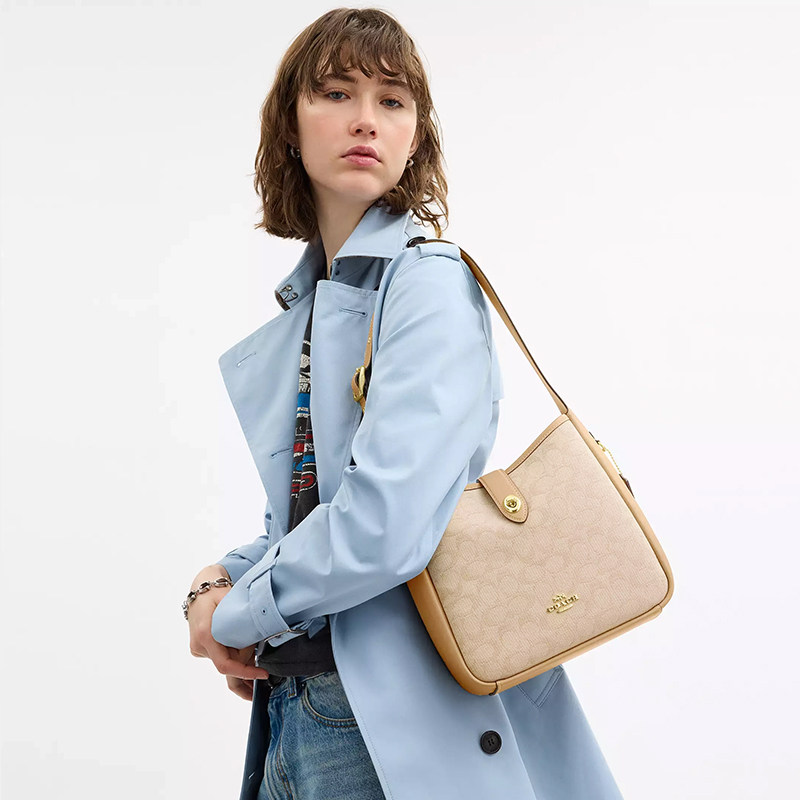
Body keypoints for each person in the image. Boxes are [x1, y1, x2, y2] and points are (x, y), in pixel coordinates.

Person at [184, 8, 624, 800]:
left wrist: (238, 615)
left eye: (392, 101)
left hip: (385, 720)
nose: (366, 120)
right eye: (336, 93)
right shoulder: (319, 303)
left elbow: (386, 527)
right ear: (290, 127)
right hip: (294, 709)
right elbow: (314, 514)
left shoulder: (425, 282)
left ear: (415, 137)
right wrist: (218, 580)